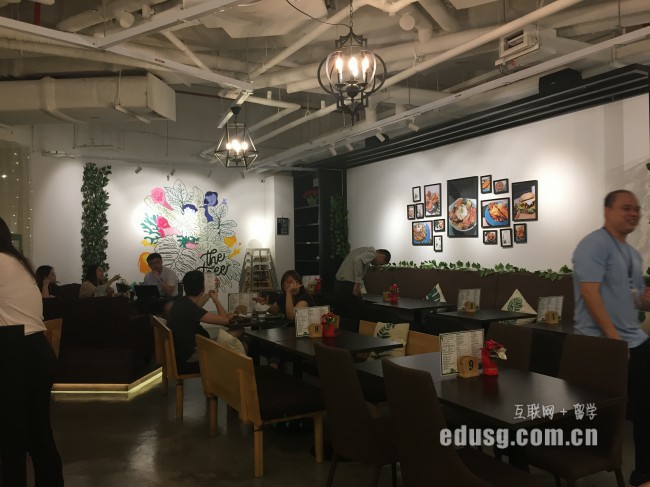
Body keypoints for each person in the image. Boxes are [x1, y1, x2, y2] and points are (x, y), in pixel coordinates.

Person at [572, 189, 650, 487]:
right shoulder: (594, 244)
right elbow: (589, 293)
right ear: (607, 212)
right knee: (598, 410)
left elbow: (633, 297)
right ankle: (577, 462)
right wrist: (614, 339)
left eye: (636, 209)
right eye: (625, 208)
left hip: (634, 341)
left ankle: (643, 473)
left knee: (645, 409)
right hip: (601, 343)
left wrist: (644, 301)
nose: (633, 213)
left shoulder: (632, 254)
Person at [0, 217, 64, 486]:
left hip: (14, 351)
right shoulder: (18, 263)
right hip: (36, 349)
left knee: (11, 438)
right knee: (39, 432)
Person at [166, 270, 232, 374]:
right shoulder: (190, 309)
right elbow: (225, 320)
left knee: (231, 337)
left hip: (185, 351)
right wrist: (216, 300)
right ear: (202, 288)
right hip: (192, 356)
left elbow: (197, 306)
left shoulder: (181, 302)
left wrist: (210, 292)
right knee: (236, 334)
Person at [333, 247, 391, 330]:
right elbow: (358, 260)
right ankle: (358, 335)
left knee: (342, 315)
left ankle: (344, 335)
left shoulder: (362, 250)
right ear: (381, 256)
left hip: (338, 285)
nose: (378, 265)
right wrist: (357, 283)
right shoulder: (372, 253)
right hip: (348, 285)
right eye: (381, 263)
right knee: (359, 314)